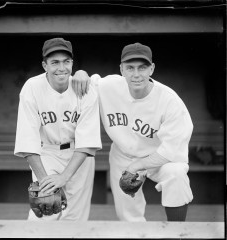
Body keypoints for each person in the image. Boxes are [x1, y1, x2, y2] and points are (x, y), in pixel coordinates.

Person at [72, 42, 194, 222]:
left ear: (152, 69)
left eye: (142, 68)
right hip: (123, 155)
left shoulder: (170, 101)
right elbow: (86, 82)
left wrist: (137, 166)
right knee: (128, 217)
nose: (136, 74)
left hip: (159, 158)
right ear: (121, 69)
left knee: (176, 174)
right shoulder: (109, 86)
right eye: (130, 68)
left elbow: (172, 150)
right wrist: (80, 73)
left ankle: (178, 231)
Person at [14, 38, 102, 221]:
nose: (61, 68)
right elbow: (27, 139)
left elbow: (87, 141)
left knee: (76, 218)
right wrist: (44, 182)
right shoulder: (32, 88)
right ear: (44, 65)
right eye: (54, 62)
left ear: (72, 63)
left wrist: (64, 177)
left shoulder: (85, 89)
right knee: (43, 214)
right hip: (47, 152)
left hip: (79, 155)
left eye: (66, 62)